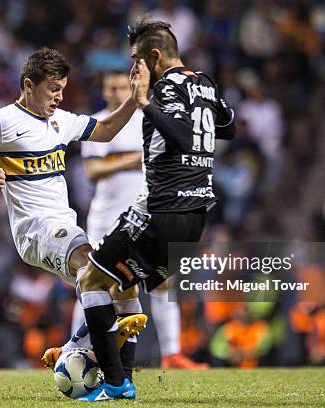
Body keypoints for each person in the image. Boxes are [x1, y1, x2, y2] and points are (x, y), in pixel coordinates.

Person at [0, 47, 148, 356]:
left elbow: (105, 131)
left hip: (63, 225)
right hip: (35, 230)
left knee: (114, 276)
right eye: (53, 88)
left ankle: (75, 350)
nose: (59, 96)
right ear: (28, 85)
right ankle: (106, 366)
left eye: (62, 89)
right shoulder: (0, 122)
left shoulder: (61, 121)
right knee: (91, 263)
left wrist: (134, 97)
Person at [74, 20, 235, 401]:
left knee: (90, 282)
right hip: (195, 218)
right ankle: (123, 381)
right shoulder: (205, 82)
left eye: (136, 61)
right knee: (125, 285)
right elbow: (228, 128)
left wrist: (146, 101)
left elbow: (180, 136)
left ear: (155, 57)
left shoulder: (161, 89)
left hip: (160, 210)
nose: (133, 70)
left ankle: (114, 381)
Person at [42, 70, 208, 370]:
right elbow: (92, 171)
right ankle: (75, 351)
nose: (118, 91)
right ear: (104, 90)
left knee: (162, 282)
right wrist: (135, 159)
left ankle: (171, 353)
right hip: (105, 219)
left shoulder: (146, 120)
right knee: (91, 282)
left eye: (122, 86)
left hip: (142, 216)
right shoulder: (99, 124)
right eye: (112, 87)